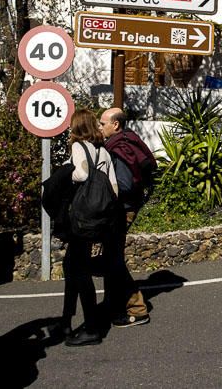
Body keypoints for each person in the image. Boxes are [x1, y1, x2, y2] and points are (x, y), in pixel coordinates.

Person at [60, 107, 118, 347]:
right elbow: (113, 186)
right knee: (72, 265)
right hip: (100, 219)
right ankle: (66, 321)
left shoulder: (78, 147)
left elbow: (82, 175)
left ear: (76, 127)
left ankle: (92, 328)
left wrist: (66, 172)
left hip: (81, 220)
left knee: (79, 270)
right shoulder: (103, 151)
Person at [99, 107, 154, 328]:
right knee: (112, 257)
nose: (100, 127)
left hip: (122, 209)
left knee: (113, 260)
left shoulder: (119, 149)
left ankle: (137, 310)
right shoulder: (126, 141)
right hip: (125, 207)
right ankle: (113, 303)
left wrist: (102, 194)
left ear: (116, 125)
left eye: (103, 124)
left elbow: (123, 184)